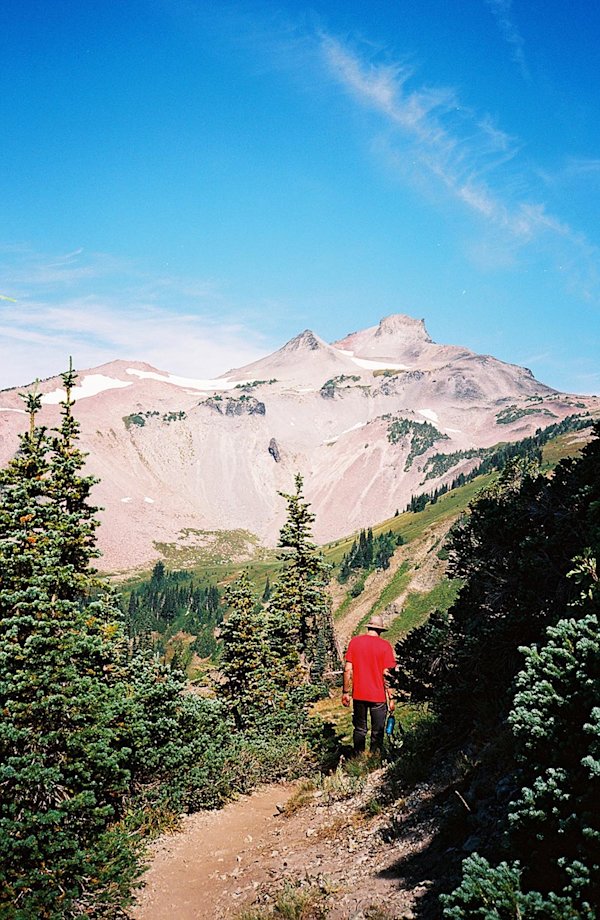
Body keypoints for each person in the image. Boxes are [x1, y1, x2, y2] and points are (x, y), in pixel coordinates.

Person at [342, 614, 396, 755]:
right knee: (377, 730)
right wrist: (391, 697)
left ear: (369, 627)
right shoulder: (385, 646)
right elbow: (387, 674)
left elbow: (348, 669)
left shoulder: (355, 642)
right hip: (378, 697)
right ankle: (374, 758)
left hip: (359, 695)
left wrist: (345, 692)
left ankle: (358, 756)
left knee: (359, 729)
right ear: (380, 630)